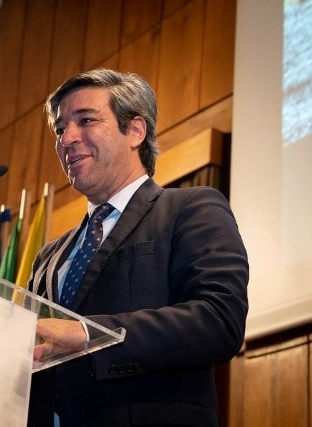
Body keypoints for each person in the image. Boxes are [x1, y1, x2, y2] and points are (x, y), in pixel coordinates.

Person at [27, 69, 249, 426]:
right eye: (60, 128)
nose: (67, 138)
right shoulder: (49, 256)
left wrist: (89, 334)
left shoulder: (190, 209)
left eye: (85, 120)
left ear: (135, 131)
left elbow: (218, 320)